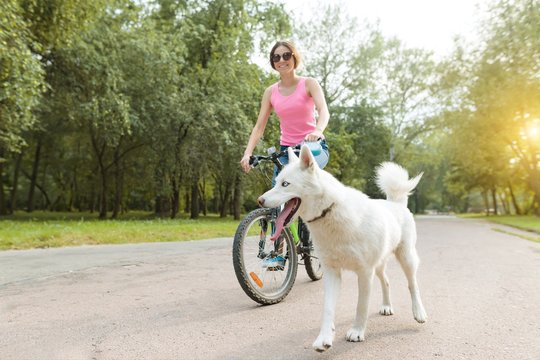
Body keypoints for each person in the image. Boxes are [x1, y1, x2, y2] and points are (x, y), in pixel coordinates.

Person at [240, 40, 330, 182]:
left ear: (294, 58)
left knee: (301, 183)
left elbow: (323, 110)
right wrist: (247, 153)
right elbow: (258, 127)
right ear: (273, 62)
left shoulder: (309, 83)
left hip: (312, 147)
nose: (281, 60)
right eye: (276, 57)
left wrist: (318, 131)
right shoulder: (270, 92)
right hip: (286, 150)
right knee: (278, 193)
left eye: (286, 55)